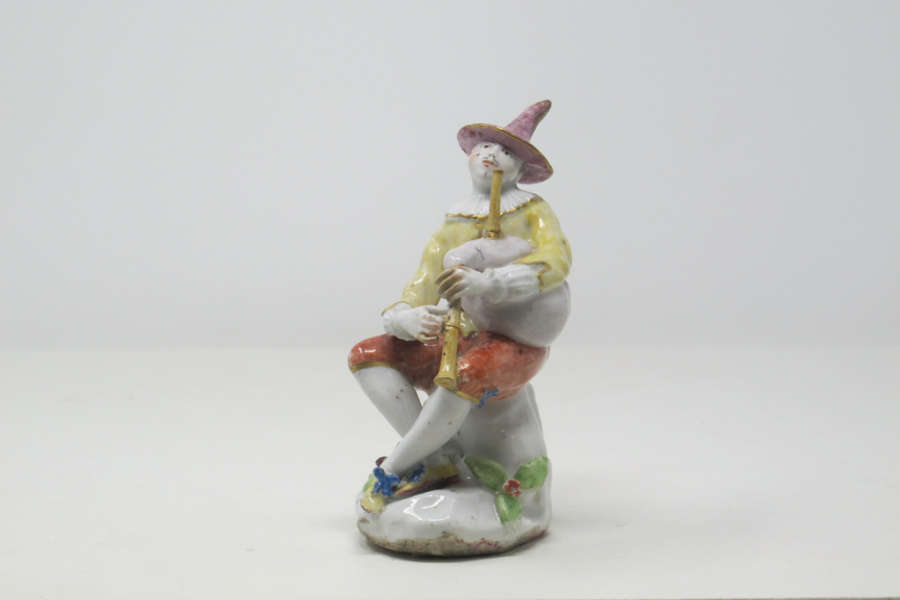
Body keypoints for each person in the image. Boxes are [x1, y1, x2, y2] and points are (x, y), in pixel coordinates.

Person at [348, 99, 571, 502]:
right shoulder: (454, 221)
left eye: (506, 152)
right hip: (460, 333)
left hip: (514, 340)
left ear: (521, 170)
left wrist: (493, 282)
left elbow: (555, 260)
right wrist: (405, 316)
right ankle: (436, 458)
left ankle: (397, 466)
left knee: (461, 375)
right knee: (369, 355)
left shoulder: (532, 210)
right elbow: (425, 278)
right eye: (484, 146)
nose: (492, 155)